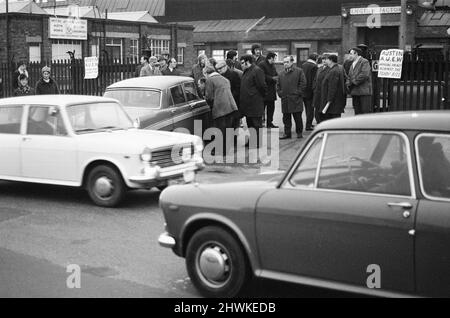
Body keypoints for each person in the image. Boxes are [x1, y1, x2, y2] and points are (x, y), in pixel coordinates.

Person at [204, 65, 238, 156]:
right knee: (227, 129)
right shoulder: (225, 79)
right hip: (231, 107)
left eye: (204, 74)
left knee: (219, 130)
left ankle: (220, 151)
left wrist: (210, 105)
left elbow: (209, 97)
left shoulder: (210, 80)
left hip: (220, 108)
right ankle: (226, 150)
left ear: (207, 73)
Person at [239, 54, 267, 148]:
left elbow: (262, 86)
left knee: (256, 124)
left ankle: (257, 142)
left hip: (255, 103)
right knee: (250, 123)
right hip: (248, 104)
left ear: (247, 62)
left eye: (242, 63)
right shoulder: (246, 71)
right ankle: (252, 140)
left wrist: (257, 96)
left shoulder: (257, 71)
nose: (241, 65)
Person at [277, 55, 307, 140]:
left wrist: (297, 93)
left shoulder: (299, 71)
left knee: (297, 118)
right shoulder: (281, 73)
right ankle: (287, 133)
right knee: (286, 118)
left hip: (296, 100)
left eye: (287, 62)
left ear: (292, 62)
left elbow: (303, 83)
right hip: (285, 99)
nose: (285, 64)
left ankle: (299, 133)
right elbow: (278, 85)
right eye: (284, 62)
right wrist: (280, 93)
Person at [319, 54, 346, 122]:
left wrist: (328, 101)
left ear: (331, 60)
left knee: (333, 121)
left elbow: (332, 87)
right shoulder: (333, 69)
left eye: (327, 59)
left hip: (333, 103)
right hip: (333, 103)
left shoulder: (334, 71)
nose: (325, 61)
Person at [346, 47, 373, 115]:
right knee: (357, 112)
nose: (350, 56)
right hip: (355, 92)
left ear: (356, 54)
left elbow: (364, 74)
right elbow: (349, 76)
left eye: (351, 54)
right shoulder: (352, 63)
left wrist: (353, 82)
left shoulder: (364, 61)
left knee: (365, 112)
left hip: (364, 92)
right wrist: (348, 83)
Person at [216, 60, 241, 128]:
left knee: (233, 125)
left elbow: (238, 89)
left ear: (225, 67)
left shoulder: (234, 74)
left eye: (220, 69)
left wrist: (229, 96)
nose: (219, 71)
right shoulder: (219, 76)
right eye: (218, 69)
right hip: (224, 105)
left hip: (233, 103)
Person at [258, 52, 278, 128]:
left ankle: (270, 123)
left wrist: (276, 77)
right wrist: (272, 78)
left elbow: (275, 73)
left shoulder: (272, 65)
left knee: (271, 108)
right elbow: (261, 75)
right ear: (271, 58)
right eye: (274, 58)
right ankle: (259, 123)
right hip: (264, 90)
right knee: (261, 108)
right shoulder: (262, 64)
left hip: (271, 90)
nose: (275, 60)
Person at [301, 53, 319, 130]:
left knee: (306, 109)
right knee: (310, 110)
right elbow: (314, 80)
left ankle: (308, 124)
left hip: (304, 90)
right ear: (315, 58)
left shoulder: (303, 65)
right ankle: (308, 125)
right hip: (311, 91)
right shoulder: (314, 66)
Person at [312, 55, 330, 124]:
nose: (324, 61)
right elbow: (315, 79)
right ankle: (318, 122)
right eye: (323, 59)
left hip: (324, 93)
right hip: (317, 93)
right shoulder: (319, 68)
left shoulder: (330, 69)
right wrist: (314, 88)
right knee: (317, 110)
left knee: (323, 111)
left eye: (326, 59)